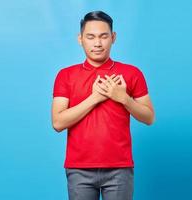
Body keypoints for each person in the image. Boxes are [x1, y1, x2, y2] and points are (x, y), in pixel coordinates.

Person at [51, 10, 155, 200]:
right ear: (80, 39)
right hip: (79, 168)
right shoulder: (65, 75)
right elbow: (58, 122)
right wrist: (95, 98)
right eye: (90, 37)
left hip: (119, 168)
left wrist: (123, 98)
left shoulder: (132, 73)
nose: (97, 43)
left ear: (113, 37)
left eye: (103, 36)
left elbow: (149, 117)